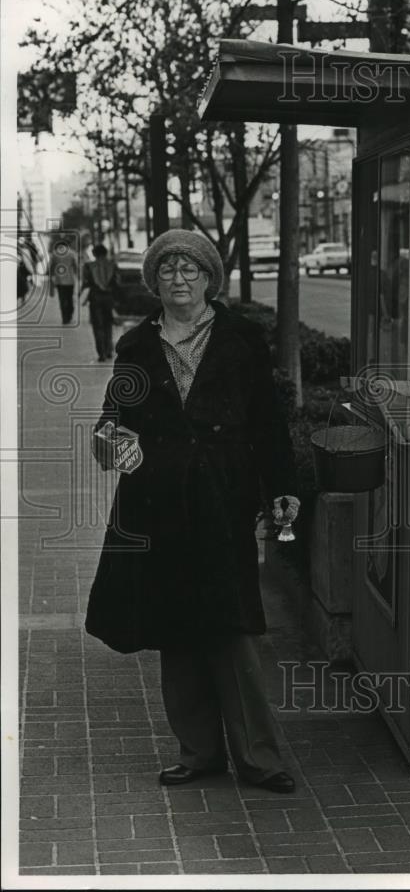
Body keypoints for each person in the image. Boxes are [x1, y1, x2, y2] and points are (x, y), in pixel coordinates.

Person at [85, 228, 300, 792]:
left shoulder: (241, 339)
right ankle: (199, 752)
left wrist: (283, 484)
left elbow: (267, 423)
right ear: (153, 280)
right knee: (176, 625)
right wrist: (109, 438)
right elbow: (116, 416)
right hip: (157, 500)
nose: (179, 280)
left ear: (209, 278)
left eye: (190, 270)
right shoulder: (135, 346)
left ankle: (259, 758)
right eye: (167, 270)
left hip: (224, 496)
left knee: (232, 627)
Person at [81, 244, 118, 361]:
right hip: (109, 297)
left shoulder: (88, 266)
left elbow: (85, 282)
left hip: (95, 297)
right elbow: (117, 282)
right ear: (106, 253)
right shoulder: (113, 265)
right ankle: (109, 351)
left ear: (94, 254)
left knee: (98, 326)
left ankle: (101, 353)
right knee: (108, 324)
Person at [48, 236, 80, 323]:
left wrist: (51, 278)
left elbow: (51, 267)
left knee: (62, 299)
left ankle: (64, 318)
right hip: (70, 280)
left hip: (59, 281)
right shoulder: (72, 253)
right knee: (69, 298)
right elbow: (76, 267)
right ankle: (70, 313)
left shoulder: (55, 253)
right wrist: (79, 276)